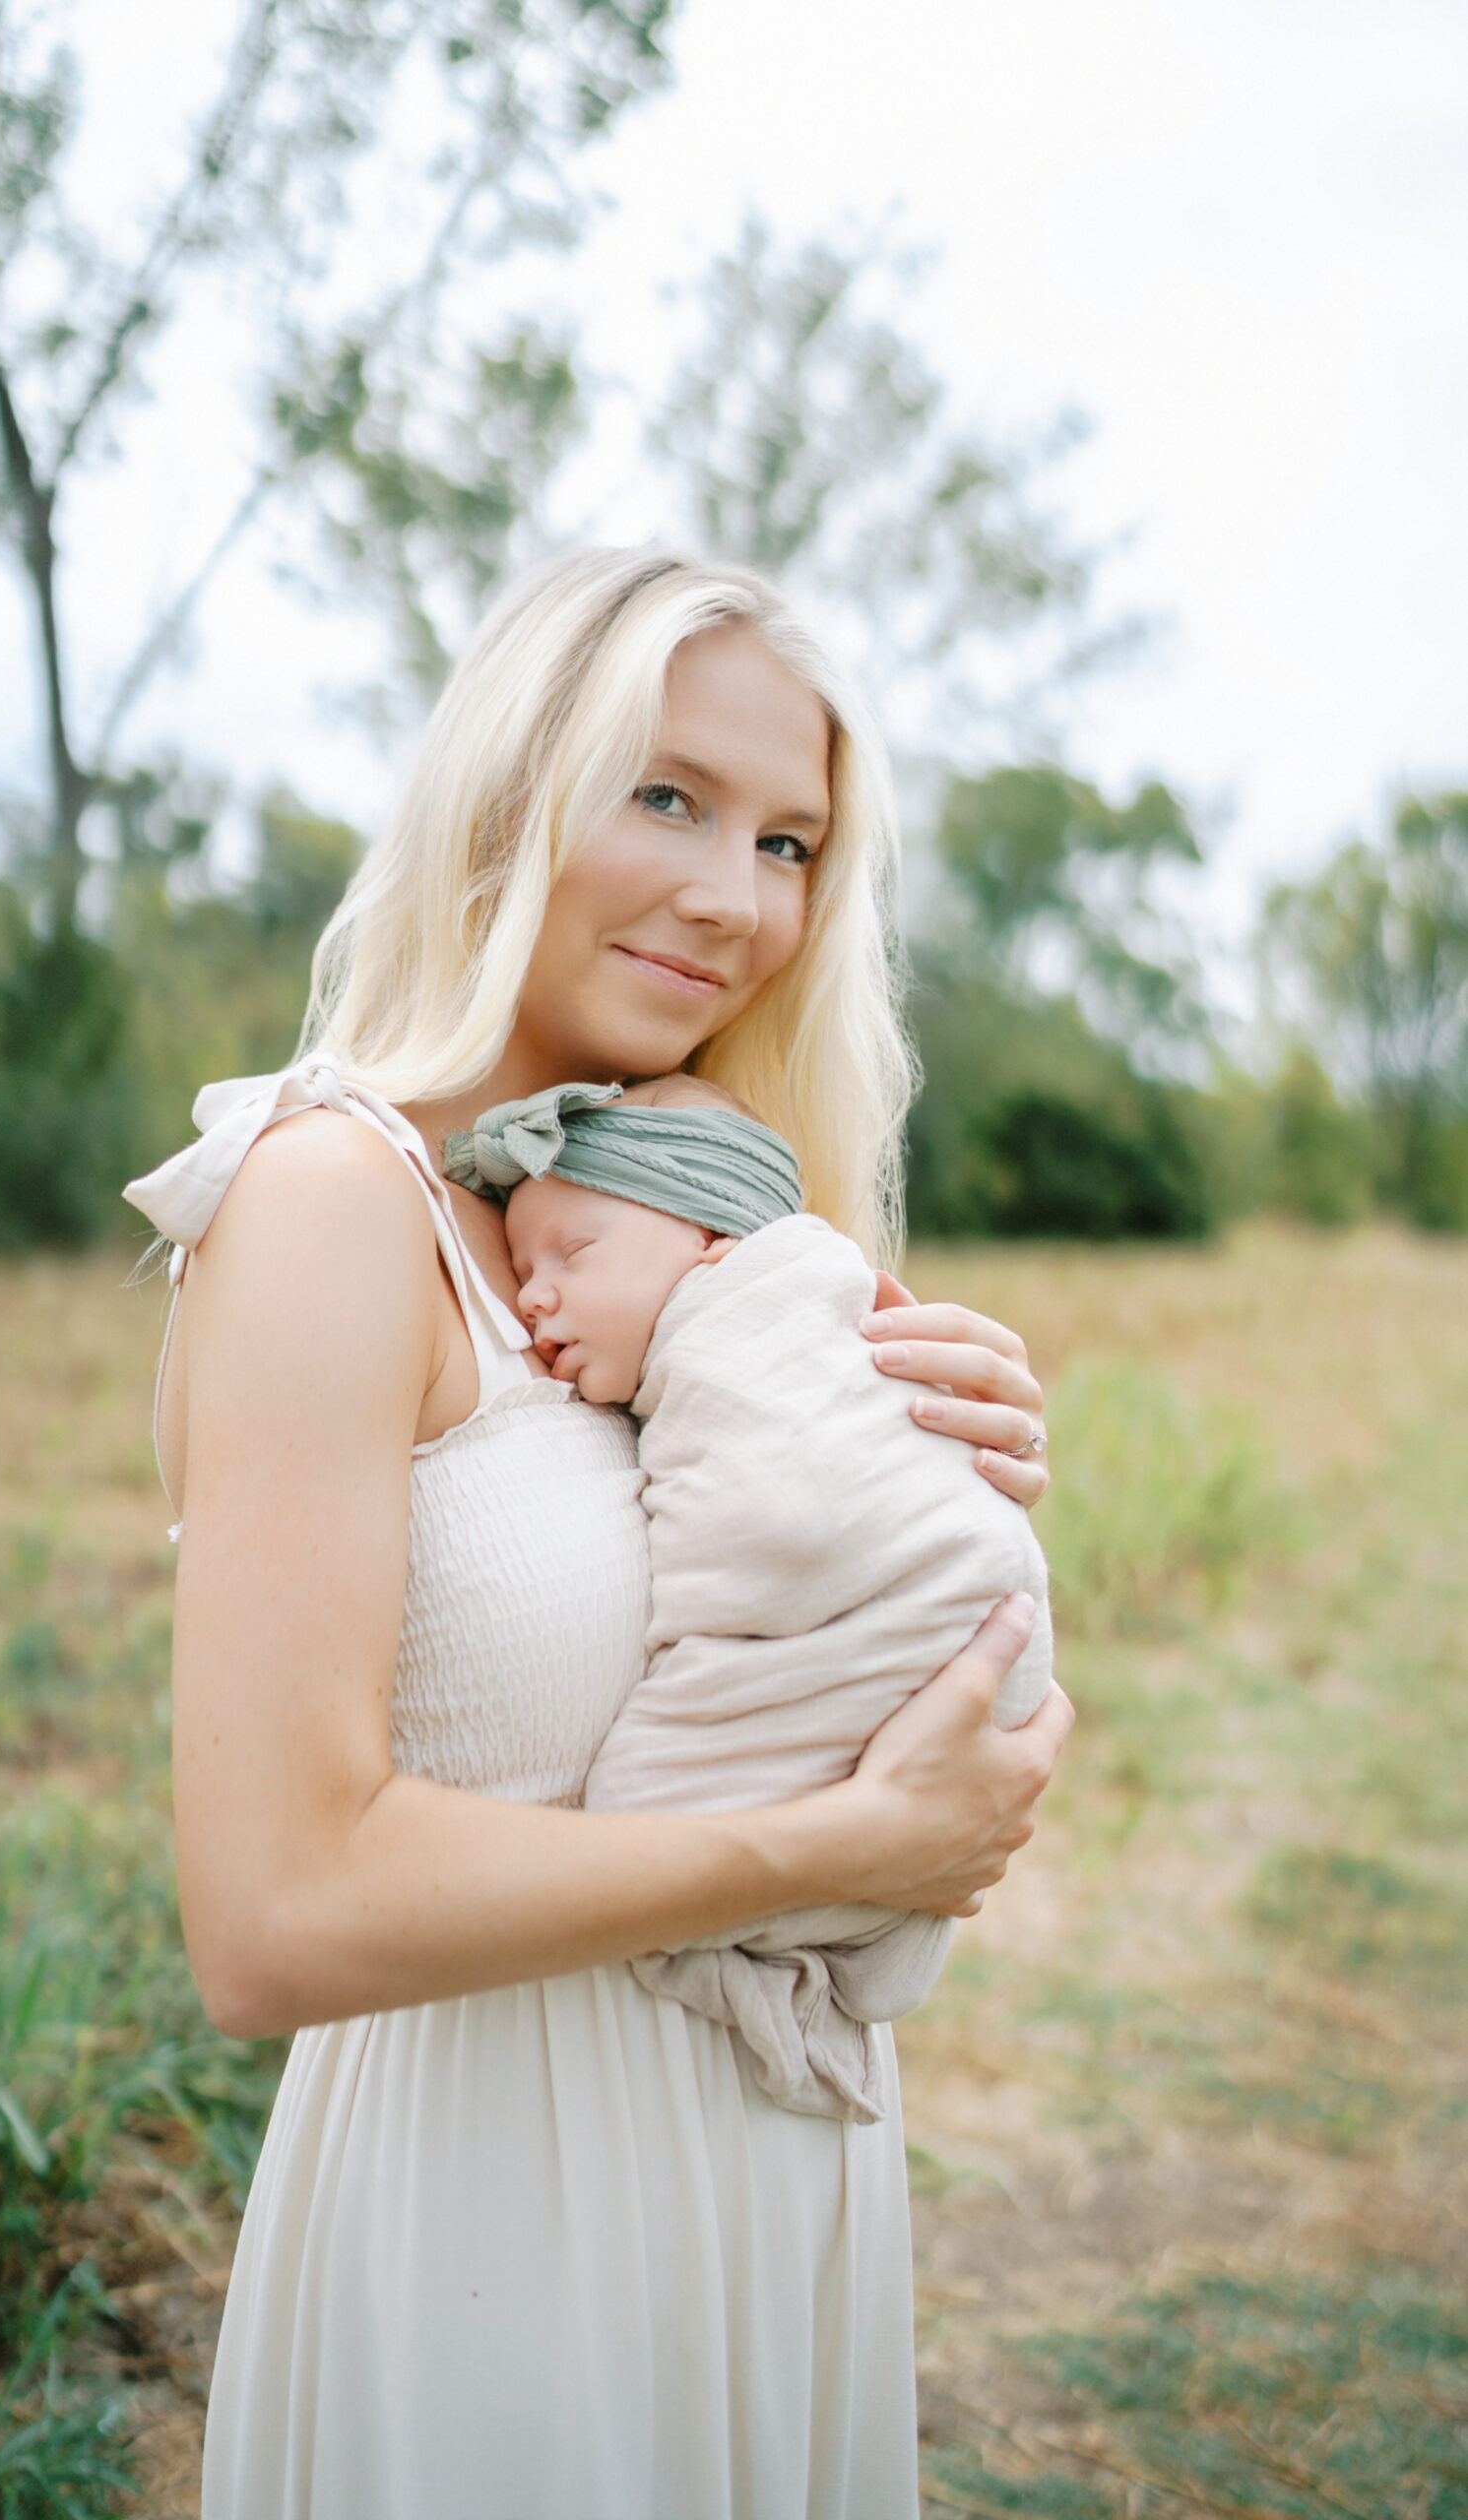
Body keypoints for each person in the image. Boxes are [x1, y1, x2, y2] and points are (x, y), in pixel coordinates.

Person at [124, 546, 1072, 2520]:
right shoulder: (330, 1204)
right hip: (506, 2207)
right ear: (504, 794)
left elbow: (776, 1636)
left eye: (792, 837)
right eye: (669, 795)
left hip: (771, 2178)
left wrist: (915, 1479)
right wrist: (847, 1846)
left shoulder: (700, 1234)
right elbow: (271, 1907)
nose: (738, 897)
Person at [438, 1070, 1053, 2127]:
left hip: (960, 1625)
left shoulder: (767, 1314)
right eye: (521, 1268)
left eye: (572, 1253)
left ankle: (761, 1960)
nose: (533, 1294)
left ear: (717, 1242)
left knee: (638, 1801)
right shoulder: (667, 1360)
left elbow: (787, 1514)